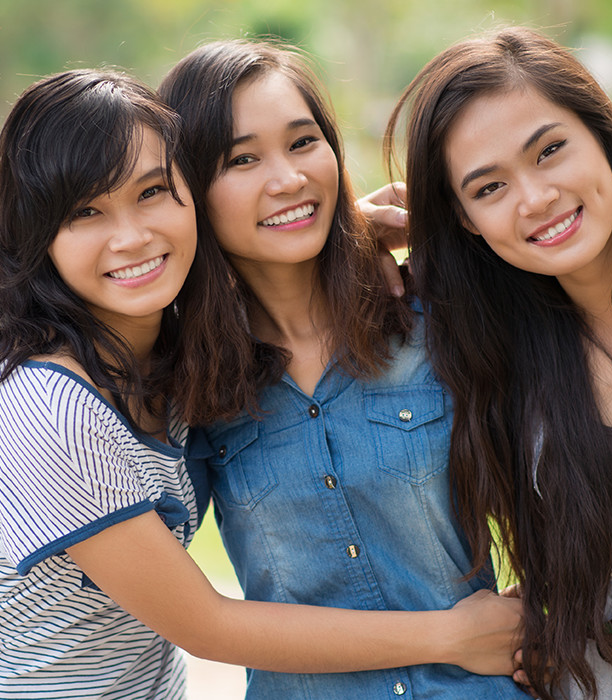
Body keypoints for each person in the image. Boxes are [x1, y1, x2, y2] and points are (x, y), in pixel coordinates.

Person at [0, 68, 525, 700]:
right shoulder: (51, 406)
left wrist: (338, 235)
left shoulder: (169, 364)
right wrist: (450, 637)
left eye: (151, 192)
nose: (132, 235)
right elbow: (206, 624)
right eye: (84, 212)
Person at [159, 39, 531, 699]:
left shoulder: (432, 316)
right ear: (190, 189)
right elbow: (192, 611)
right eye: (243, 159)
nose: (288, 179)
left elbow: (570, 469)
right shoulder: (187, 377)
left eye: (303, 143)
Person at [385, 25, 612, 700]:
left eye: (550, 150)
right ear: (465, 219)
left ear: (602, 136)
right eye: (489, 187)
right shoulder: (488, 346)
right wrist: (353, 235)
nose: (535, 198)